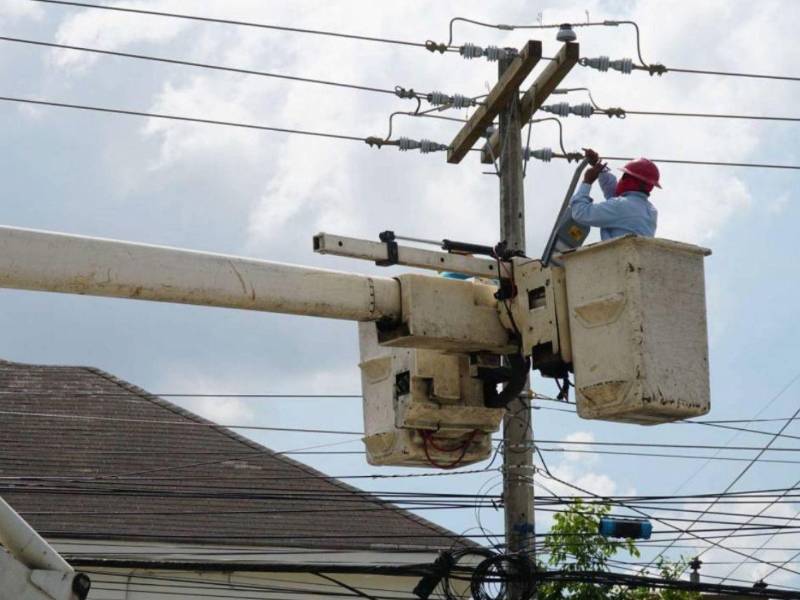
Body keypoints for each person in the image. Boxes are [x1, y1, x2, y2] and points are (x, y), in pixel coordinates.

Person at [570, 148, 660, 240]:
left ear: (629, 180)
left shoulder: (621, 205)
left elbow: (580, 212)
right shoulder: (651, 211)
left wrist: (587, 182)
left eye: (624, 175)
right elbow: (616, 194)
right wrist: (599, 167)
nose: (621, 180)